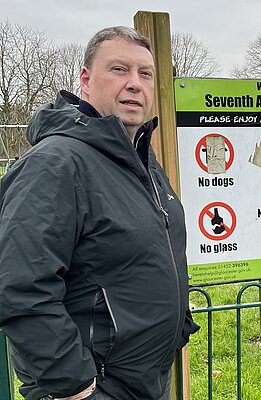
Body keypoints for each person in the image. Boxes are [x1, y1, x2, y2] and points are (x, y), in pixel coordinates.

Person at [0, 26, 198, 400]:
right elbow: (21, 287)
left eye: (145, 73)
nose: (135, 84)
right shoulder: (56, 165)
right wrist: (76, 387)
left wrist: (178, 325)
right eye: (119, 69)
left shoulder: (142, 162)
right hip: (94, 388)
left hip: (145, 380)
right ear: (86, 80)